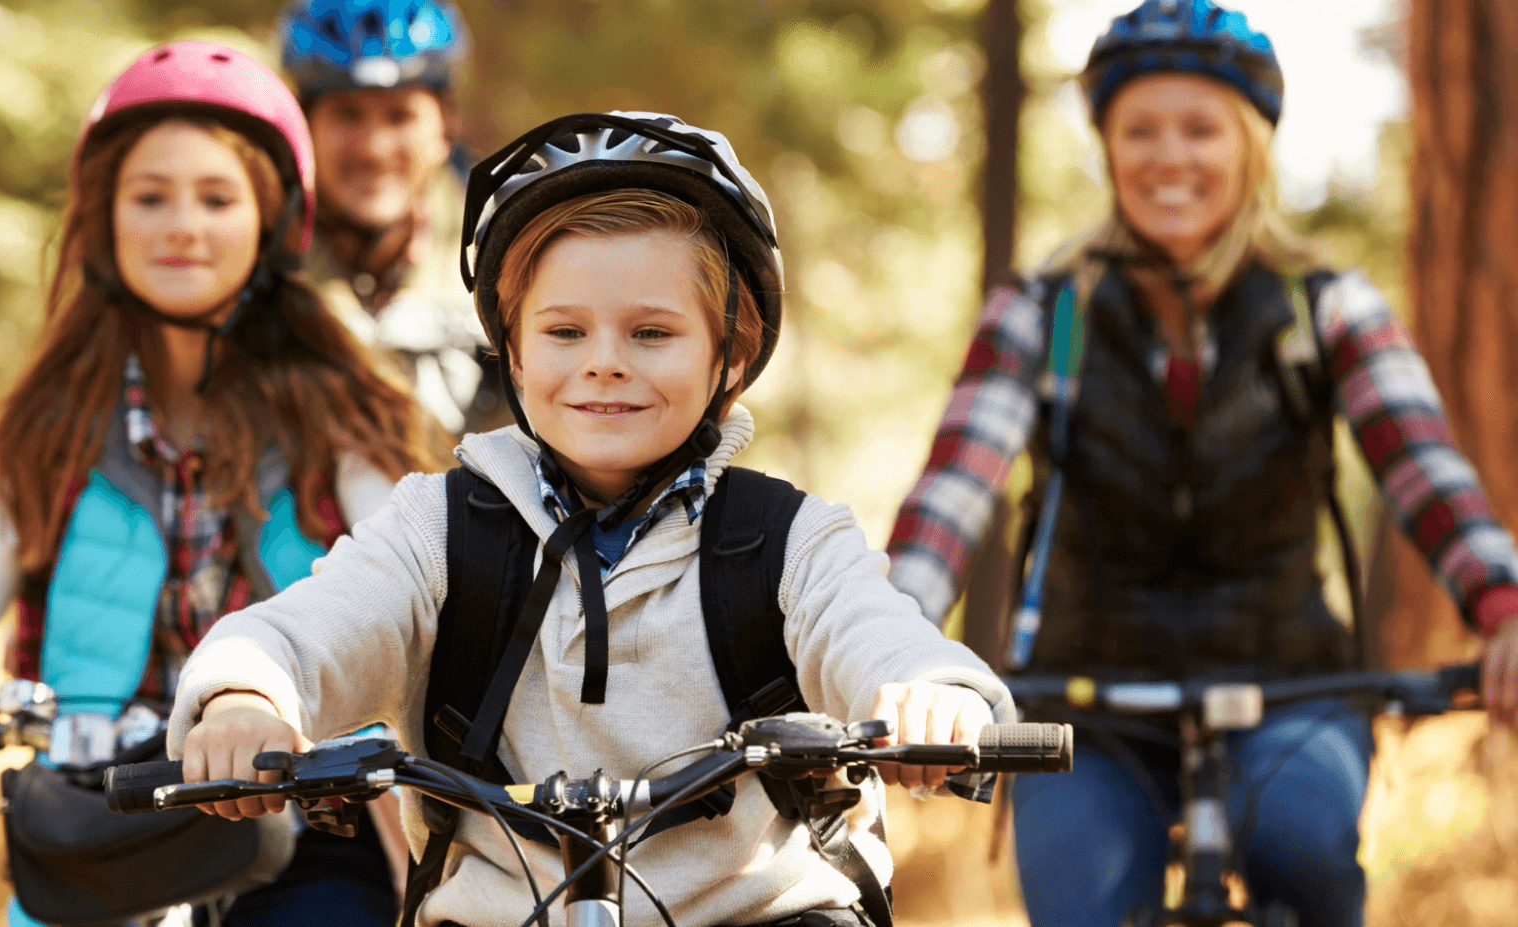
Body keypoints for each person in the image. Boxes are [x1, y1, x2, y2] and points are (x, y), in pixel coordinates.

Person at [163, 111, 1017, 927]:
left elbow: (876, 633)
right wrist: (245, 697)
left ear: (733, 352)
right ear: (514, 350)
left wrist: (931, 697)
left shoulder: (788, 538)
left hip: (755, 911)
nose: (604, 364)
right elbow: (306, 630)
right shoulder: (436, 530)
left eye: (652, 333)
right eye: (565, 331)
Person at [883, 3, 1518, 926]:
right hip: (1082, 701)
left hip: (1289, 685)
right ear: (1107, 149)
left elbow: (1428, 474)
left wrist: (1502, 605)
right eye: (1139, 130)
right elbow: (952, 492)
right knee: (1078, 904)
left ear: (1250, 145)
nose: (1167, 157)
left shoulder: (1327, 307)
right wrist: (896, 645)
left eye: (1199, 129)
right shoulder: (1042, 310)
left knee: (1307, 854)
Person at [0, 41, 433, 926]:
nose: (183, 224)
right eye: (151, 198)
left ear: (270, 220)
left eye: (217, 199)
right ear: (104, 219)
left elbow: (409, 580)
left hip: (306, 822)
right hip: (100, 823)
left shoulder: (339, 412)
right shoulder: (48, 426)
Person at [276, 0, 509, 437]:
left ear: (446, 126)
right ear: (303, 124)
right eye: (348, 114)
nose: (374, 149)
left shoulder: (514, 263)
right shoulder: (251, 264)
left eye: (400, 115)